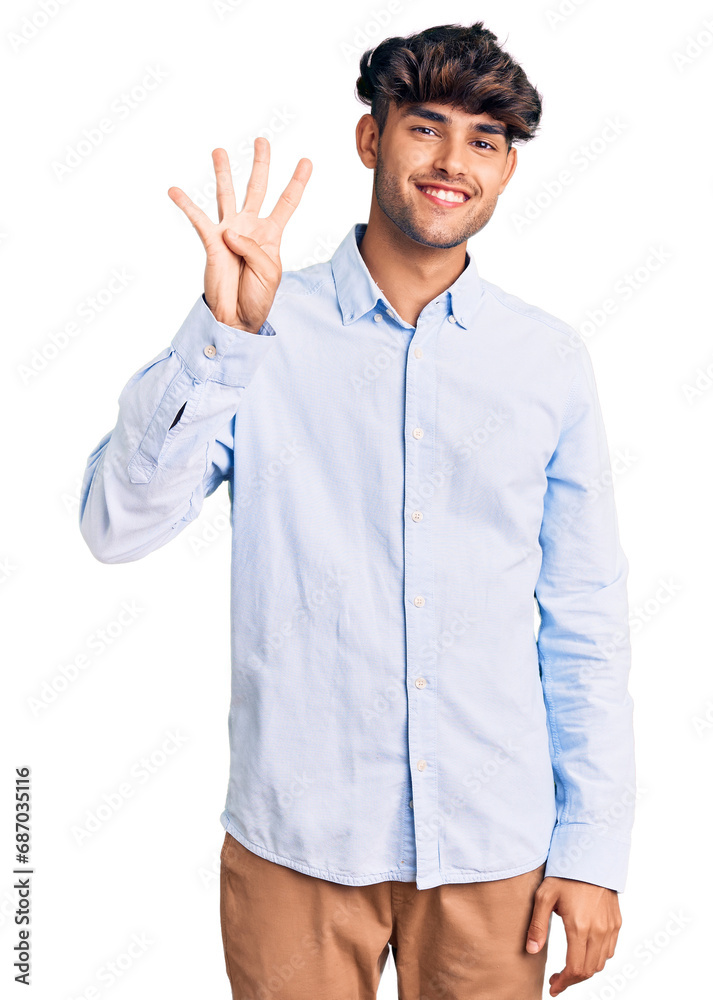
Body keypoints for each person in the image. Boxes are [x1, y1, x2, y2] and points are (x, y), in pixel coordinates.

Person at [78, 21, 636, 1000]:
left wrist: (590, 846)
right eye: (424, 128)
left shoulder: (545, 360)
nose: (451, 162)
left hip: (490, 849)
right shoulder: (257, 325)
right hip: (292, 843)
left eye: (484, 140)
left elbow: (583, 619)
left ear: (505, 171)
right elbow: (115, 527)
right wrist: (219, 338)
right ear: (369, 139)